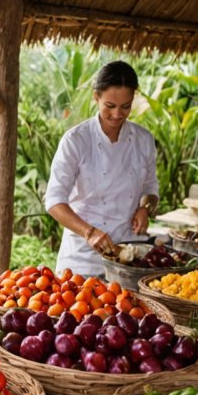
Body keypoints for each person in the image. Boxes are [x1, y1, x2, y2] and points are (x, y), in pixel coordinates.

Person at [44, 60, 159, 277]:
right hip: (82, 259)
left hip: (129, 254)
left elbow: (151, 189)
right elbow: (54, 201)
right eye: (110, 106)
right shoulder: (76, 140)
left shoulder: (144, 140)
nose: (117, 114)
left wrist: (146, 208)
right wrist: (89, 233)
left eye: (126, 106)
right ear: (96, 97)